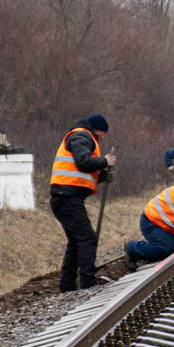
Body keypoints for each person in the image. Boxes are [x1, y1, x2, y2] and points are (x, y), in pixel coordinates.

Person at [49, 113, 116, 291]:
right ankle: (87, 281)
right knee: (87, 238)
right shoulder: (81, 135)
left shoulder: (83, 137)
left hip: (65, 196)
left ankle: (67, 285)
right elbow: (83, 162)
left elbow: (81, 174)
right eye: (104, 133)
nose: (104, 137)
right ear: (98, 130)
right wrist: (105, 161)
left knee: (76, 241)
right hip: (66, 197)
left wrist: (102, 175)